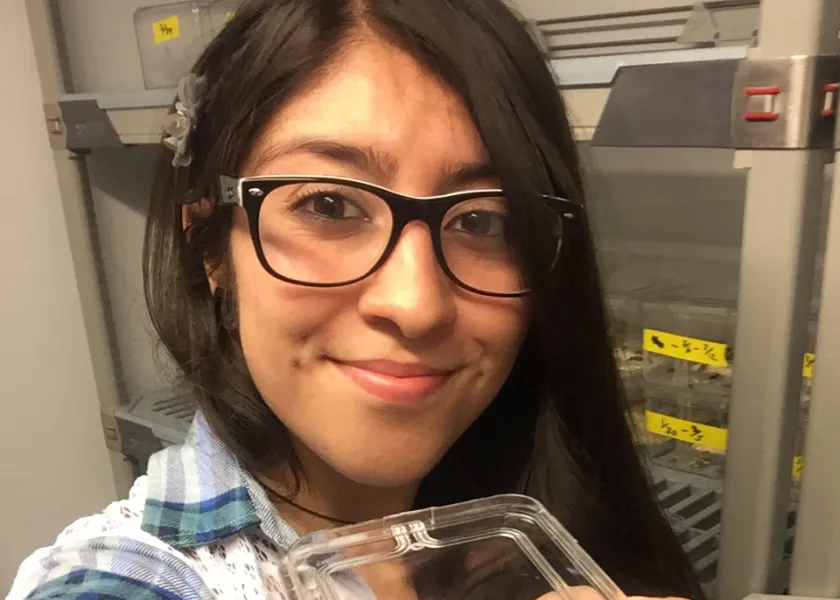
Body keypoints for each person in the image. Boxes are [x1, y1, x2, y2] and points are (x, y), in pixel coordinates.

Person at [7, 0, 705, 598]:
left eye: (485, 221)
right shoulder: (129, 578)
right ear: (210, 247)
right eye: (329, 205)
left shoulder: (545, 530)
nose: (416, 303)